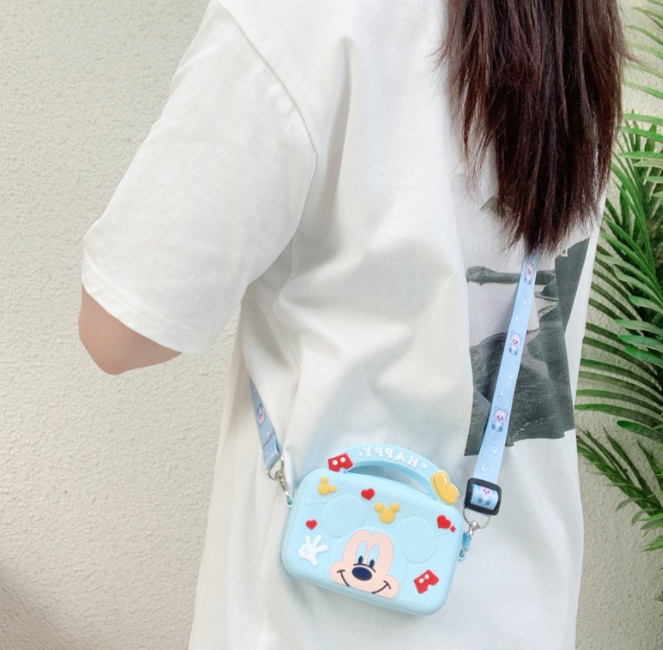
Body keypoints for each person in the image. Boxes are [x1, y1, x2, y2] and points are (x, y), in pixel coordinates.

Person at [79, 0, 626, 648]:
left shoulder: (300, 20)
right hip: (522, 605)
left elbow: (118, 333)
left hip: (308, 617)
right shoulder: (574, 23)